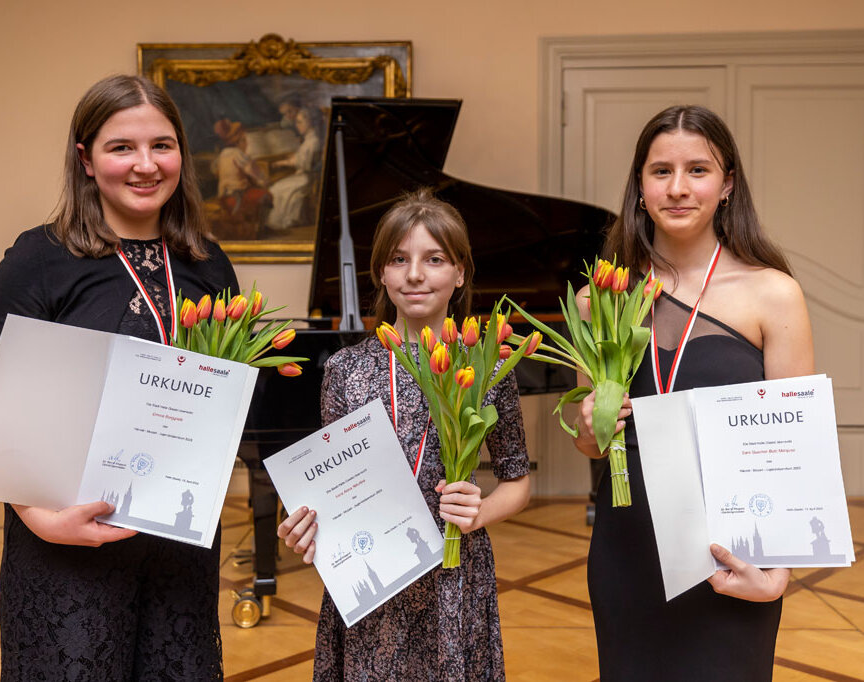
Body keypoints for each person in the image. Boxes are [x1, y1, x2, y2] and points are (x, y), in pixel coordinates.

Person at [0, 75, 239, 680]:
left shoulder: (209, 265)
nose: (146, 165)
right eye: (122, 148)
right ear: (86, 159)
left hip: (177, 550)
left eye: (162, 145)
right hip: (65, 547)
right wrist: (44, 520)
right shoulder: (38, 260)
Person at [574, 105, 814, 681]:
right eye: (660, 171)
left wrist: (778, 572)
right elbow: (591, 445)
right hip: (627, 549)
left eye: (698, 170)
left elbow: (795, 448)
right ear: (639, 185)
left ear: (727, 183)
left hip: (731, 551)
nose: (678, 188)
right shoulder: (598, 299)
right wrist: (588, 426)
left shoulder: (772, 294)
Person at [277, 189, 531, 680]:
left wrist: (479, 513)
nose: (414, 274)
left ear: (460, 273)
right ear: (381, 273)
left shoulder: (489, 365)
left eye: (434, 259)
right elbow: (330, 489)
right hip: (372, 577)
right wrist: (306, 525)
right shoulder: (346, 369)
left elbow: (518, 480)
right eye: (398, 259)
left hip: (454, 575)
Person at [265, 107, 323, 231]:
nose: (297, 125)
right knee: (278, 187)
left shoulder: (313, 141)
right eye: (296, 122)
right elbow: (301, 157)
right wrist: (290, 158)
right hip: (303, 175)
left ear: (309, 122)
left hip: (307, 178)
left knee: (276, 189)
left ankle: (279, 223)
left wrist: (282, 163)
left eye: (300, 122)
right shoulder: (309, 138)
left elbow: (304, 164)